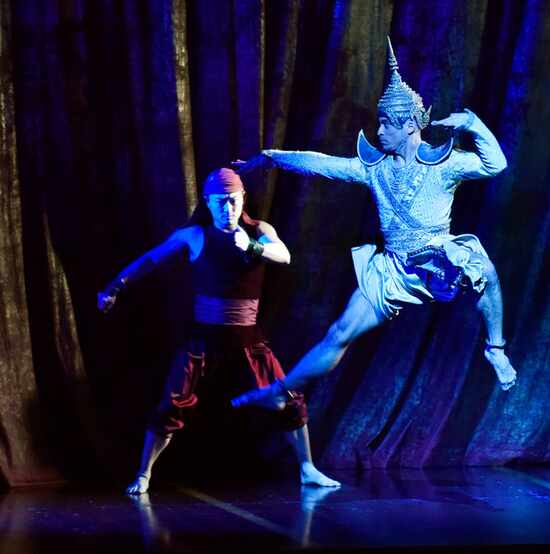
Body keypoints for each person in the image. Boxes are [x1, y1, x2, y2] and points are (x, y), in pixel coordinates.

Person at [230, 37, 516, 411]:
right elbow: (322, 163)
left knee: (484, 271)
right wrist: (272, 157)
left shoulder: (445, 165)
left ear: (410, 125)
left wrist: (473, 125)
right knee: (339, 333)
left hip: (438, 257)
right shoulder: (372, 168)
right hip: (393, 269)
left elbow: (497, 164)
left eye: (386, 124)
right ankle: (278, 392)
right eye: (379, 123)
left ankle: (495, 349)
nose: (379, 131)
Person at [98, 168, 340, 494]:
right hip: (203, 337)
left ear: (242, 200)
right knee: (171, 404)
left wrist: (252, 247)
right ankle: (144, 474)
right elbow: (151, 260)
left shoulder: (259, 230)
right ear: (208, 203)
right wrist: (116, 285)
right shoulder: (195, 236)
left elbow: (284, 256)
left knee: (287, 399)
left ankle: (308, 468)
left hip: (247, 337)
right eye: (220, 202)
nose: (228, 209)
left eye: (233, 201)